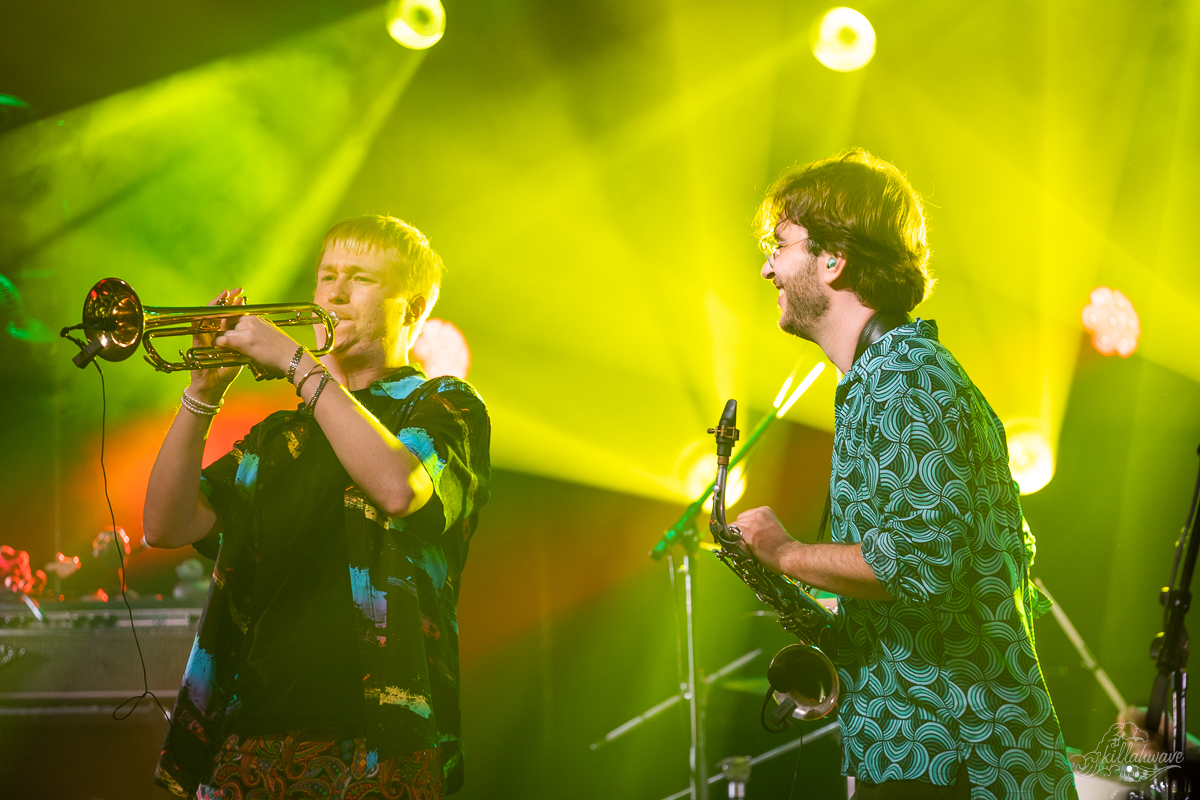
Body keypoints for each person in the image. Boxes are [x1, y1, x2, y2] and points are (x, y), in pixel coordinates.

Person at [732, 149, 1077, 799]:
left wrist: (785, 551)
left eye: (778, 244)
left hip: (961, 761)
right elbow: (893, 614)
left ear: (833, 259)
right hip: (921, 760)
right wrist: (767, 571)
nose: (766, 266)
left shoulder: (908, 378)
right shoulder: (875, 383)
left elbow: (917, 566)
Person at [144, 215, 491, 799]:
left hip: (377, 742)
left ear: (413, 308)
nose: (335, 292)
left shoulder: (442, 404)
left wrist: (300, 365)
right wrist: (202, 393)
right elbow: (165, 525)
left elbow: (400, 488)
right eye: (327, 275)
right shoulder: (280, 436)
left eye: (360, 278)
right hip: (244, 736)